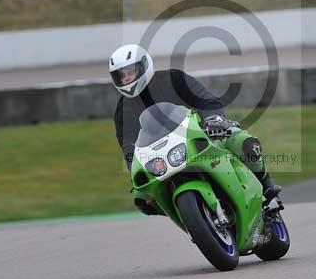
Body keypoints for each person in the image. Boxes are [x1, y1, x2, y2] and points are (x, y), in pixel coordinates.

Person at [109, 44, 282, 215]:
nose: (126, 79)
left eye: (130, 72)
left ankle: (266, 183)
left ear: (144, 65)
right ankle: (189, 218)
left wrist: (212, 119)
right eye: (121, 76)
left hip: (200, 133)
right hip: (161, 156)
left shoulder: (173, 79)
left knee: (240, 141)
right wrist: (133, 166)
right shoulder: (122, 110)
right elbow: (128, 144)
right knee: (142, 199)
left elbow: (207, 100)